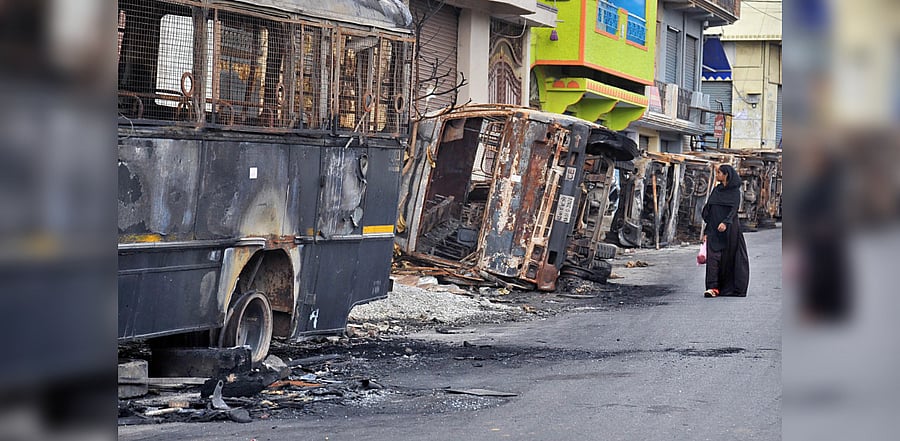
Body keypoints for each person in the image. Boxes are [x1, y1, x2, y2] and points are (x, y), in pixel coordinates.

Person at [701, 164, 750, 297]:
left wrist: (725, 222)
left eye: (719, 173)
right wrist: (706, 231)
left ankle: (729, 288)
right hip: (713, 229)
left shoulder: (734, 191)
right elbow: (710, 210)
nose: (717, 175)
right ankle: (712, 287)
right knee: (712, 259)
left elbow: (734, 210)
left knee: (729, 258)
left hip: (729, 230)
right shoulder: (717, 190)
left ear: (726, 175)